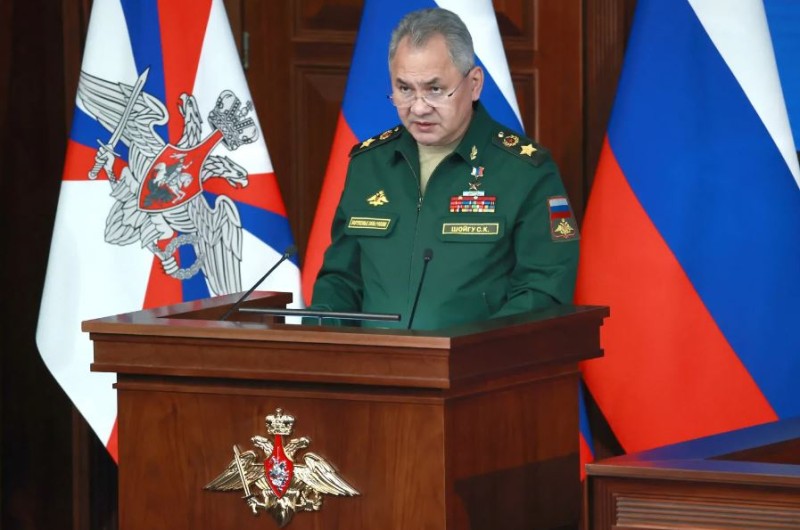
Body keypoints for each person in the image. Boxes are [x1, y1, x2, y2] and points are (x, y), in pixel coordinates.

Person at [308, 7, 579, 330]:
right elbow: (341, 280)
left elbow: (543, 291)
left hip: (478, 360)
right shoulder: (369, 165)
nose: (419, 107)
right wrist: (320, 333)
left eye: (435, 89)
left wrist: (471, 351)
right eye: (405, 89)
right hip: (374, 360)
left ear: (474, 84)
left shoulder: (525, 171)